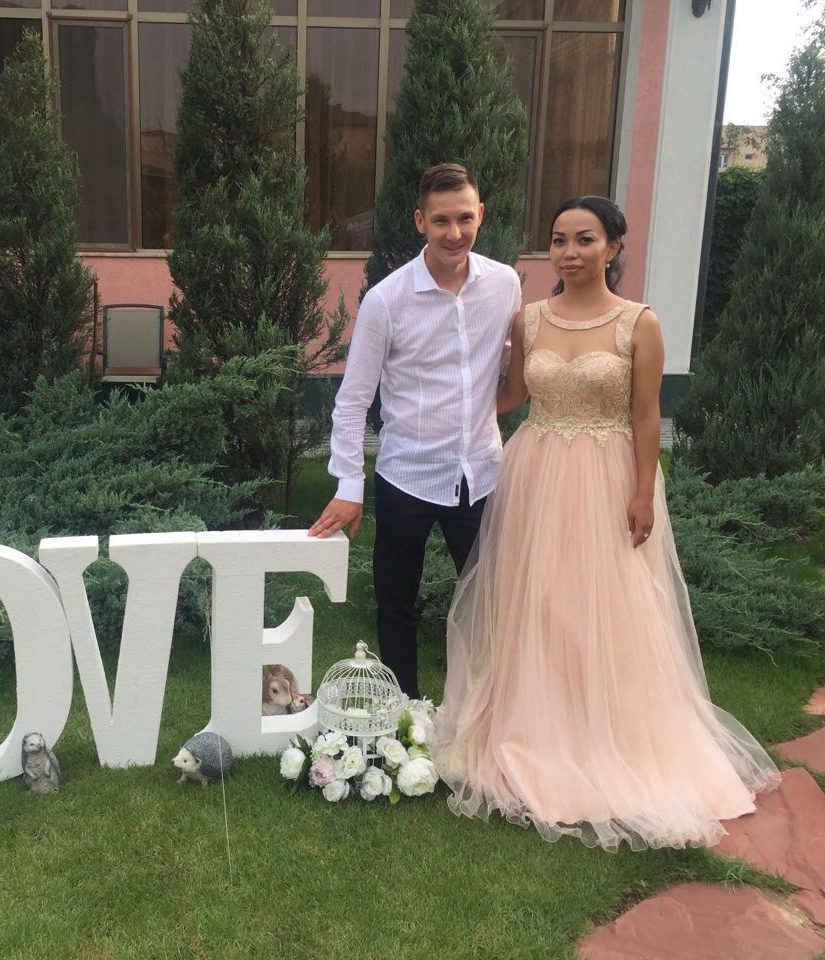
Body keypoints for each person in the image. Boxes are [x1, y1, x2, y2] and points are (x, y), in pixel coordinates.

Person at [431, 196, 780, 851]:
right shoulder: (529, 319)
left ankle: (608, 735)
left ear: (613, 247)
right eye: (559, 239)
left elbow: (646, 416)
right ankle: (536, 724)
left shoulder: (638, 323)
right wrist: (439, 403)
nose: (569, 252)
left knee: (607, 603)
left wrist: (643, 492)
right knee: (538, 602)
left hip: (606, 477)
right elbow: (512, 395)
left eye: (585, 239)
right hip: (535, 473)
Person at [308, 163, 521, 700]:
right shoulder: (387, 299)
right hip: (407, 476)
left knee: (490, 606)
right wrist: (349, 485)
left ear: (481, 215)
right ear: (420, 221)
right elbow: (353, 400)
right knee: (396, 604)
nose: (455, 233)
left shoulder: (504, 284)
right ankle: (401, 716)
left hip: (481, 474)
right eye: (441, 220)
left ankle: (486, 712)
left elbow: (508, 365)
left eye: (465, 218)